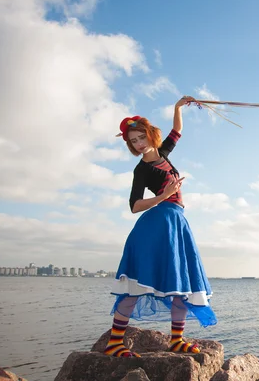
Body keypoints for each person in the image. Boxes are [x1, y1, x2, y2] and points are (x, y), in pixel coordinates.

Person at [104, 96, 217, 358]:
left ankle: (176, 340)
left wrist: (178, 107)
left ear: (150, 135)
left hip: (177, 222)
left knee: (179, 283)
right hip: (157, 225)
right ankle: (114, 342)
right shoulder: (141, 170)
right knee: (138, 283)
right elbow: (134, 206)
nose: (138, 144)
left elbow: (177, 131)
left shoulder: (163, 152)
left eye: (140, 137)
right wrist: (163, 195)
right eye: (133, 141)